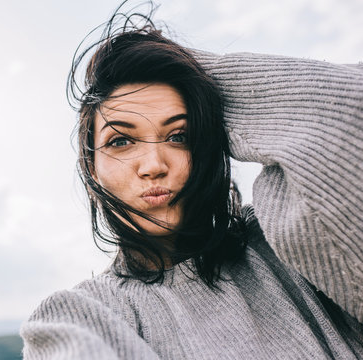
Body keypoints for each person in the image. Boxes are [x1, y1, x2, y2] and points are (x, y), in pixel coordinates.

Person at [21, 3, 363, 359]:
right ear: (92, 167)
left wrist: (207, 82)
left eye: (179, 136)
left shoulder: (288, 246)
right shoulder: (81, 317)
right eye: (121, 141)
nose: (153, 166)